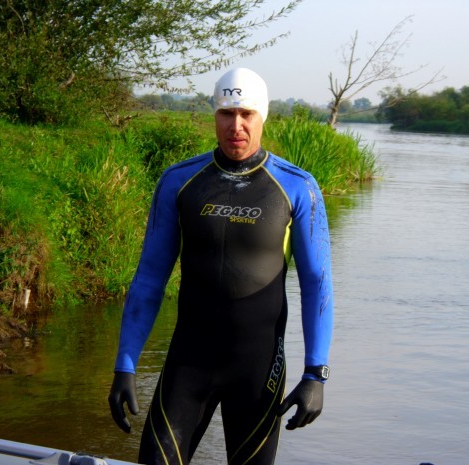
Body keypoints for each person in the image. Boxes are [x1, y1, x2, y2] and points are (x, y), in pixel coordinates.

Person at [108, 68, 334, 465]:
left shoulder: (298, 187)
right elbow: (148, 280)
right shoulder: (178, 181)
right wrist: (125, 366)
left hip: (257, 372)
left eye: (247, 114)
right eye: (226, 113)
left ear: (263, 116)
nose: (236, 125)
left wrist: (315, 374)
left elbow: (317, 284)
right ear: (215, 115)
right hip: (188, 365)